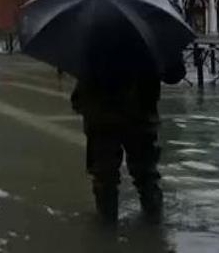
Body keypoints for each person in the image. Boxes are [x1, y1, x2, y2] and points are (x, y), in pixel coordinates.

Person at [71, 39, 186, 225]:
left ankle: (107, 233)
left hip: (104, 115)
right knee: (145, 176)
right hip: (137, 113)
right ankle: (153, 232)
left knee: (106, 177)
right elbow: (175, 74)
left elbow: (76, 67)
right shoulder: (151, 29)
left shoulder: (90, 27)